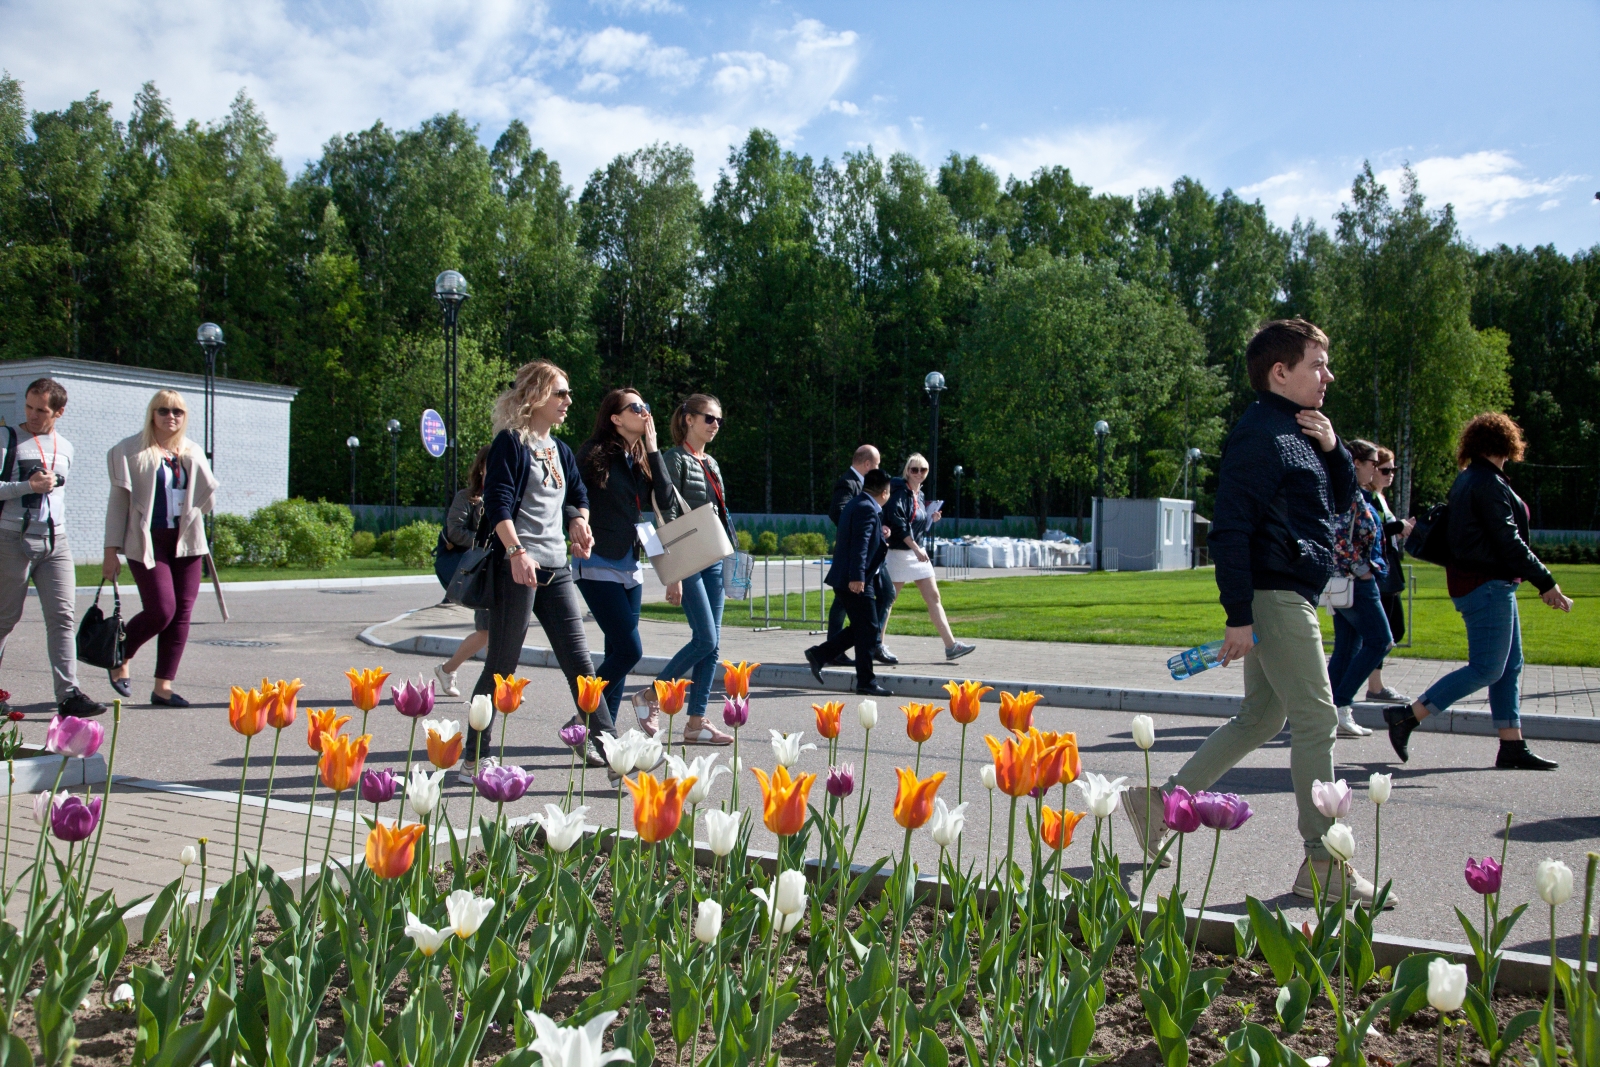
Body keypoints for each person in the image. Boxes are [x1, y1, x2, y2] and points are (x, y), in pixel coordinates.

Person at [1122, 320, 1382, 906]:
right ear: (1280, 372)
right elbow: (1232, 529)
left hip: (1286, 591)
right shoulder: (1258, 436)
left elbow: (1338, 503)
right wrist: (1238, 614)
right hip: (1275, 594)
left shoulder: (1300, 430)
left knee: (1263, 718)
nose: (1328, 375)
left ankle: (1163, 802)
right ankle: (1324, 863)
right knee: (1317, 721)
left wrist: (1336, 449)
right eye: (1318, 363)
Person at [1383, 413, 1572, 770]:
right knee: (1487, 667)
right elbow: (1509, 542)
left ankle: (1512, 745)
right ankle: (1407, 716)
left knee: (1509, 666)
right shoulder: (1486, 483)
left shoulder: (1474, 479)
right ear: (1506, 443)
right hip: (1485, 584)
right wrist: (1546, 582)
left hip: (1487, 583)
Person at [465, 360, 604, 778]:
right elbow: (498, 502)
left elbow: (577, 493)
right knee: (502, 664)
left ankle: (607, 744)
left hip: (556, 567)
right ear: (536, 396)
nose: (568, 401)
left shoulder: (559, 450)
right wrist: (516, 552)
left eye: (568, 393)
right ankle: (474, 755)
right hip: (518, 567)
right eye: (560, 393)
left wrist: (579, 519)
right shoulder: (510, 443)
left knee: (581, 664)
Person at [102, 390, 218, 706]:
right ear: (152, 414)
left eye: (177, 412)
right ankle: (120, 655)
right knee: (161, 610)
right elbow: (118, 505)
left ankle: (162, 686)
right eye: (163, 411)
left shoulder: (191, 451)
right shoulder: (129, 451)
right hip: (147, 541)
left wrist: (198, 466)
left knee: (181, 614)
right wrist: (110, 551)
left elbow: (207, 502)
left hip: (186, 542)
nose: (171, 417)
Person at [0, 379, 104, 718]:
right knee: (4, 619)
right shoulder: (7, 439)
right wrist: (26, 486)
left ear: (58, 412)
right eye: (28, 406)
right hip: (11, 539)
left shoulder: (67, 447)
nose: (31, 415)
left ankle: (69, 694)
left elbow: (56, 494)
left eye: (40, 410)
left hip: (55, 541)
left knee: (62, 617)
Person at [573, 389, 674, 736]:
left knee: (616, 649)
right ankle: (583, 717)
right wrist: (576, 525)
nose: (644, 411)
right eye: (636, 407)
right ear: (615, 419)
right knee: (630, 650)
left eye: (646, 405)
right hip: (597, 559)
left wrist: (654, 447)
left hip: (630, 562)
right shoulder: (592, 454)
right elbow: (573, 497)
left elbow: (664, 497)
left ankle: (603, 731)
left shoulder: (641, 456)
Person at [652, 394, 735, 745]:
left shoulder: (711, 462)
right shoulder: (675, 459)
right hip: (689, 560)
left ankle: (696, 723)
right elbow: (665, 513)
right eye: (708, 418)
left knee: (713, 646)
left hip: (713, 557)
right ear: (688, 419)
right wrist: (673, 574)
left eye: (718, 420)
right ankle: (652, 696)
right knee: (706, 638)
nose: (715, 425)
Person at [805, 467, 894, 697]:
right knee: (869, 628)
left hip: (853, 577)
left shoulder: (858, 503)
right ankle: (865, 681)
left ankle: (820, 654)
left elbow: (862, 540)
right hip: (854, 579)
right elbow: (859, 546)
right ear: (884, 492)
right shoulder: (866, 508)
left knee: (864, 627)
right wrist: (858, 577)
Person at [1323, 439, 1390, 739]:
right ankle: (1342, 706)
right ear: (1357, 463)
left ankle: (1329, 712)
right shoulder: (1348, 492)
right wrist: (1362, 571)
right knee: (1381, 641)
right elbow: (1338, 537)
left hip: (1345, 583)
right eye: (1373, 463)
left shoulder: (1351, 492)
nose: (1376, 469)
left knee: (1349, 647)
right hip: (1354, 584)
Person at [879, 453, 975, 661]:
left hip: (917, 553)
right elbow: (899, 525)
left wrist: (930, 519)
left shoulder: (919, 495)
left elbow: (916, 524)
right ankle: (877, 644)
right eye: (914, 469)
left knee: (934, 597)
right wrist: (915, 548)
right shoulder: (899, 493)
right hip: (900, 553)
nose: (919, 474)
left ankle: (951, 646)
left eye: (923, 470)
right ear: (907, 471)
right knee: (888, 600)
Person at [826, 445, 898, 666]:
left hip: (872, 555)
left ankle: (872, 642)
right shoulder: (848, 483)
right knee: (842, 603)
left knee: (887, 594)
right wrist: (861, 530)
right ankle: (834, 649)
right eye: (876, 465)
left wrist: (879, 528)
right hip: (856, 556)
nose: (878, 469)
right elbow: (838, 512)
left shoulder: (869, 485)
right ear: (867, 464)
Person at [433, 447, 491, 698]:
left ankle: (497, 683)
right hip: (480, 571)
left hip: (500, 569)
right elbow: (455, 531)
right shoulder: (467, 497)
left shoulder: (509, 495)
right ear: (482, 468)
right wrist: (486, 542)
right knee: (487, 631)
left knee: (495, 631)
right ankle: (448, 670)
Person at [1364, 447, 1414, 704]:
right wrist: (1397, 526)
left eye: (1393, 470)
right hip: (1378, 572)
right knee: (1382, 633)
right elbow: (1370, 530)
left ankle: (1372, 684)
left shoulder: (1379, 497)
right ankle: (1372, 685)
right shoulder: (1368, 498)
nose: (1390, 474)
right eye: (1385, 470)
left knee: (1394, 630)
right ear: (1372, 470)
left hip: (1389, 570)